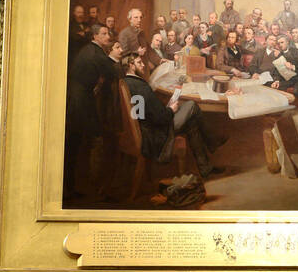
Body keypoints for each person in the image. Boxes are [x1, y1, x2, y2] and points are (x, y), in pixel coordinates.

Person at [121, 53, 223, 179]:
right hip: (158, 133)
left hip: (148, 129)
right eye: (139, 63)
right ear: (131, 66)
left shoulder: (127, 83)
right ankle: (212, 141)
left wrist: (165, 109)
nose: (143, 65)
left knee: (191, 122)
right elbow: (161, 118)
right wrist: (170, 110)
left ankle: (205, 167)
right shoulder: (141, 86)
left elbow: (143, 113)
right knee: (192, 105)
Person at [65, 22, 123, 204]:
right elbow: (114, 73)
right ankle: (96, 190)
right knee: (92, 141)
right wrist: (116, 58)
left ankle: (77, 187)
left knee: (76, 143)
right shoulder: (97, 53)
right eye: (104, 34)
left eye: (108, 33)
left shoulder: (89, 50)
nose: (108, 36)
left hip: (77, 98)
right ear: (95, 36)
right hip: (81, 102)